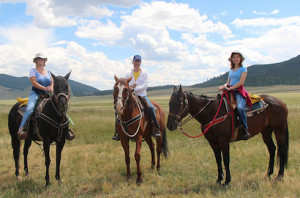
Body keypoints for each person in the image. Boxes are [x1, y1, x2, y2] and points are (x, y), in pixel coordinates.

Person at [17, 53, 74, 141]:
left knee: (61, 106)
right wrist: (44, 88)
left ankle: (65, 131)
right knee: (30, 109)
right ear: (36, 61)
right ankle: (22, 129)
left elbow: (52, 82)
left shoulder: (47, 71)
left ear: (44, 61)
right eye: (38, 59)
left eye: (42, 59)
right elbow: (34, 83)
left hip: (48, 94)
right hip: (36, 93)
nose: (40, 60)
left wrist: (51, 87)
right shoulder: (33, 70)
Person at [112, 55, 161, 141]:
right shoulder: (128, 74)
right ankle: (118, 132)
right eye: (135, 61)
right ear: (133, 62)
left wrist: (135, 88)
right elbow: (125, 85)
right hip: (131, 96)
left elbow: (146, 85)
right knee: (118, 110)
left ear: (140, 63)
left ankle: (155, 129)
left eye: (138, 61)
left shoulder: (145, 73)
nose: (137, 63)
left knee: (151, 107)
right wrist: (130, 88)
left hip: (142, 95)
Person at [218, 51, 251, 140]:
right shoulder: (231, 71)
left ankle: (245, 128)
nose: (235, 58)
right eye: (234, 57)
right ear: (232, 60)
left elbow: (241, 82)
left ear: (240, 59)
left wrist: (230, 88)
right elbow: (228, 82)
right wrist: (224, 86)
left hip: (238, 92)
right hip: (230, 91)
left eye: (237, 57)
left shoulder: (243, 69)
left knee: (240, 108)